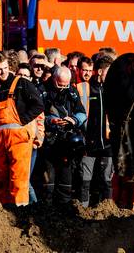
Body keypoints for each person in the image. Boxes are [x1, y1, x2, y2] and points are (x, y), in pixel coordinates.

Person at [0, 51, 44, 207]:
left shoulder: (22, 83)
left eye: (5, 67)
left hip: (19, 140)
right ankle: (2, 215)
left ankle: (21, 213)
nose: (3, 71)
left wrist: (22, 120)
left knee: (18, 179)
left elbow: (39, 105)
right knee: (0, 180)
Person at [40, 66, 87, 206]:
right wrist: (51, 120)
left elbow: (82, 112)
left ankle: (65, 211)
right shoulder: (42, 90)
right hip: (48, 141)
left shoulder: (71, 90)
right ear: (54, 78)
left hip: (66, 142)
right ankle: (46, 211)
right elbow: (36, 115)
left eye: (65, 85)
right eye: (60, 85)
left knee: (66, 182)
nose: (62, 88)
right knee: (48, 183)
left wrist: (74, 120)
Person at [78, 56, 113, 207]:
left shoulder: (113, 89)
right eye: (108, 72)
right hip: (89, 143)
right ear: (99, 71)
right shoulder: (85, 87)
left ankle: (107, 211)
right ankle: (82, 211)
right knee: (85, 181)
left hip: (108, 142)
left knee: (106, 181)